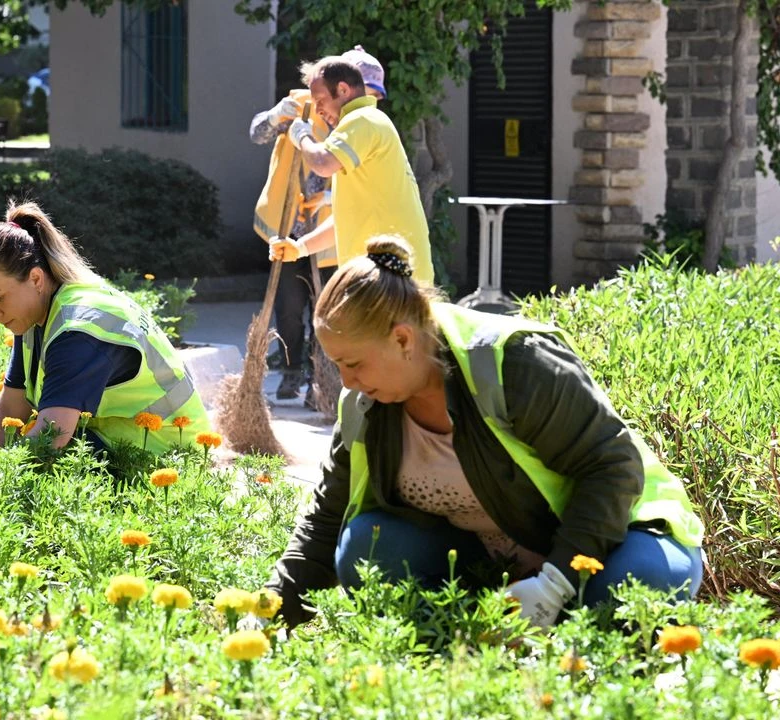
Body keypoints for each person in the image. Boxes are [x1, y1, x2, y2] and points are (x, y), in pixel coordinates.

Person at [265, 236, 703, 628]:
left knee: (632, 589)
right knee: (366, 548)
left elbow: (613, 468)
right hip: (494, 561)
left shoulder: (515, 364)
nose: (346, 381)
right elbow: (326, 519)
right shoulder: (365, 405)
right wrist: (266, 612)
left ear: (402, 340)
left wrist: (554, 584)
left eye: (353, 363)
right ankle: (466, 651)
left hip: (617, 534)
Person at [0, 201, 211, 455]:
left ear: (36, 279)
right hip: (105, 427)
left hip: (163, 446)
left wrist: (0, 472)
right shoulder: (30, 312)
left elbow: (51, 438)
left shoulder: (78, 331)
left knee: (62, 451)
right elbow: (9, 409)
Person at [249, 46, 389, 401]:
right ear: (345, 88)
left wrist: (329, 196)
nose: (368, 103)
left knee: (328, 309)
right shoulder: (305, 104)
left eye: (374, 97)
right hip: (289, 227)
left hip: (332, 232)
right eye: (366, 94)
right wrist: (276, 116)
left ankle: (322, 379)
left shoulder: (364, 125)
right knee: (289, 307)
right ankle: (291, 370)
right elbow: (257, 133)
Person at [268, 55, 435, 285]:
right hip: (388, 279)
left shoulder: (363, 119)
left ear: (343, 90)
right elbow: (345, 217)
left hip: (394, 282)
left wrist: (302, 136)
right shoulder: (365, 125)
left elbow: (323, 164)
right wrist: (300, 248)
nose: (317, 110)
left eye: (320, 100)